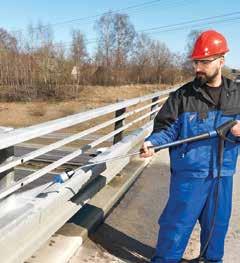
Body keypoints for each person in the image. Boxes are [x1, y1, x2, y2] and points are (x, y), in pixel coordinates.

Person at [140, 30, 240, 263]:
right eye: (197, 62)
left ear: (221, 61)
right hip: (189, 176)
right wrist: (153, 143)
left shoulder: (237, 94)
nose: (198, 68)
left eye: (205, 62)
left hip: (223, 175)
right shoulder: (182, 96)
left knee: (216, 229)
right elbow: (167, 129)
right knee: (175, 227)